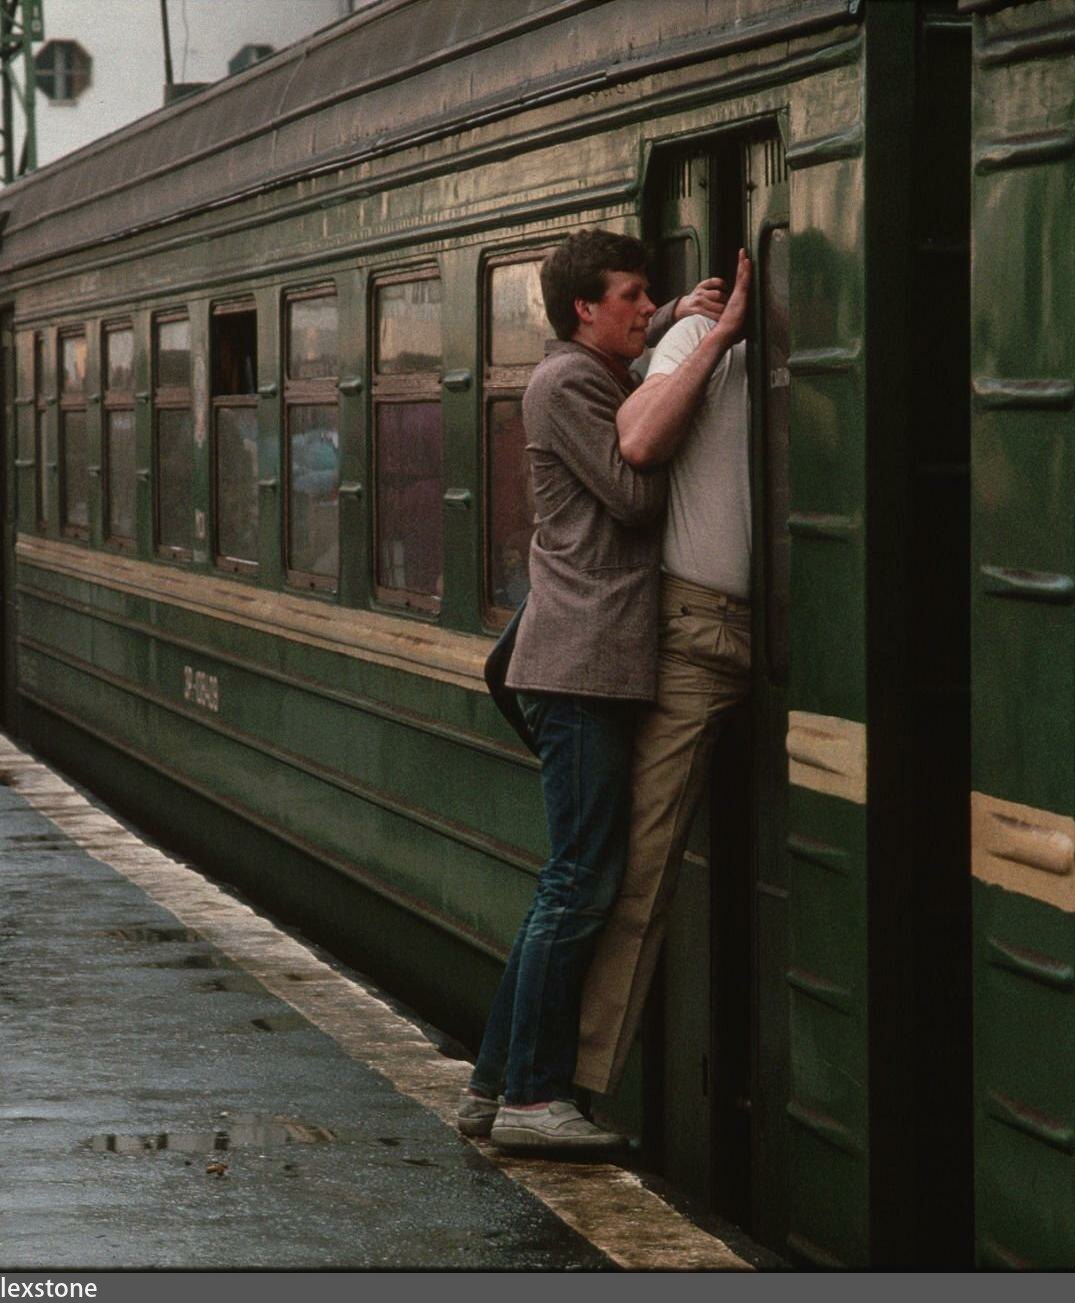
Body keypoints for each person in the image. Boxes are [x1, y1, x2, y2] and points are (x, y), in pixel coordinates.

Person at [462, 230, 724, 1152]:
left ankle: (494, 1086)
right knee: (579, 883)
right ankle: (534, 1099)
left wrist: (665, 344)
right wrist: (701, 353)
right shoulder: (565, 382)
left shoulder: (587, 371)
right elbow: (636, 495)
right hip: (580, 665)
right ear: (584, 307)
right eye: (632, 297)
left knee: (570, 883)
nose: (645, 307)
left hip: (590, 661)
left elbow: (629, 404)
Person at [575, 250, 753, 1096]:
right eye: (636, 297)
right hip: (700, 631)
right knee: (640, 872)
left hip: (773, 632)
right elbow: (639, 438)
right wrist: (705, 329)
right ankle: (578, 1081)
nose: (651, 308)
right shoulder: (694, 344)